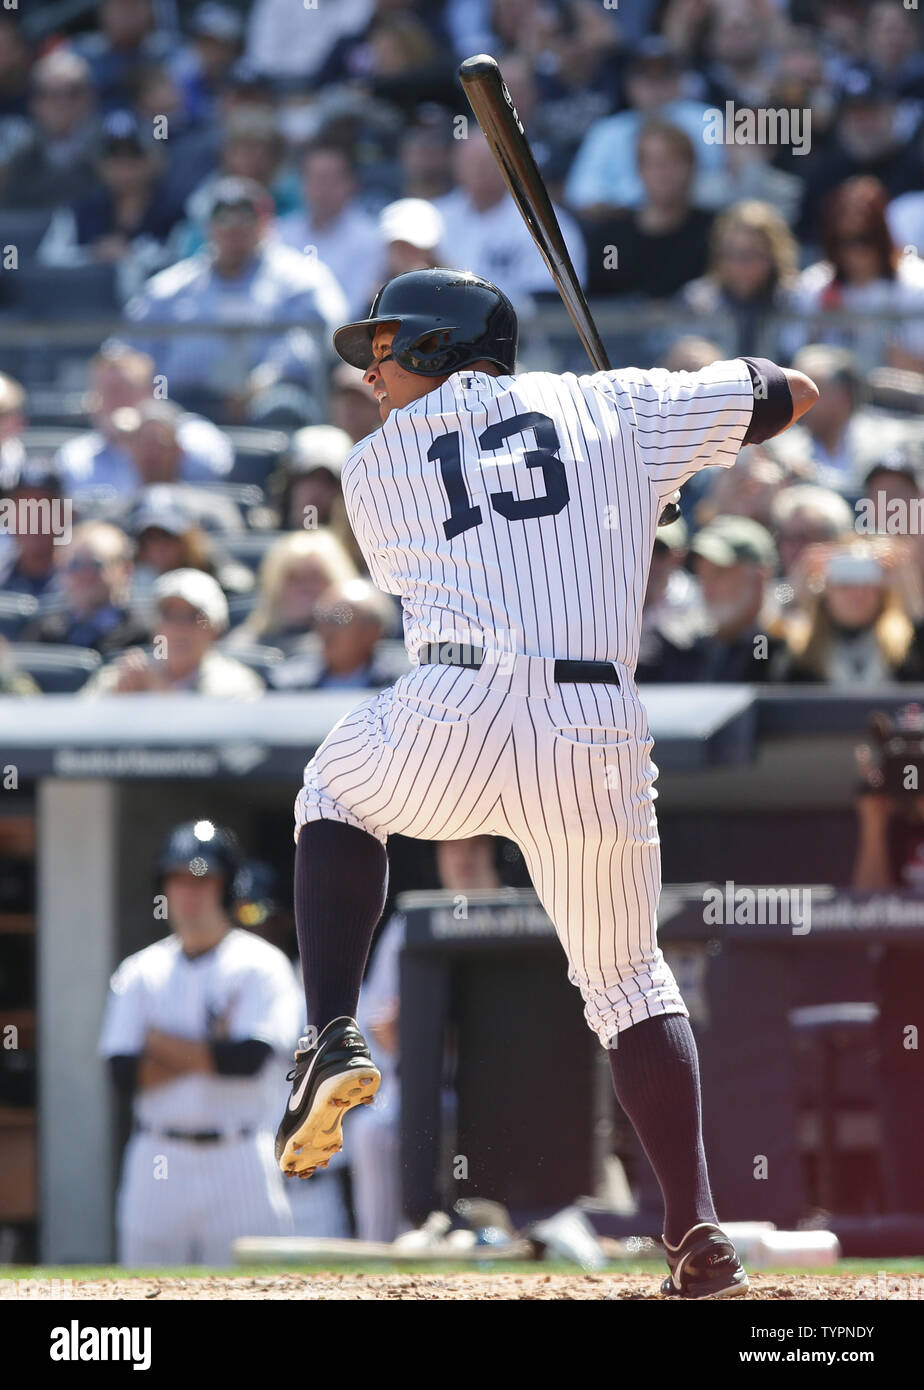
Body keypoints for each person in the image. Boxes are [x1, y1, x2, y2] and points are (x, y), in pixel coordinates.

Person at [273, 266, 819, 1299]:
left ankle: (329, 1028)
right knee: (629, 983)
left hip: (452, 710)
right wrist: (655, 443)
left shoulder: (369, 469)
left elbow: (499, 511)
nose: (372, 374)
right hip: (594, 724)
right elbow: (795, 390)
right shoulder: (619, 403)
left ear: (439, 349)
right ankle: (698, 1235)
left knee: (335, 793)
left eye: (389, 348)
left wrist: (630, 463)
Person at [98, 819, 301, 1265]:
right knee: (144, 1295)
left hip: (239, 1154)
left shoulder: (260, 963)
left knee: (254, 1291)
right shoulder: (140, 970)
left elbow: (247, 1059)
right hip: (158, 1153)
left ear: (226, 887)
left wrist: (158, 1043)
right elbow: (121, 1073)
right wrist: (210, 1049)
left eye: (202, 879)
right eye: (177, 880)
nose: (188, 893)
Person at [124, 177, 347, 423]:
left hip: (264, 401)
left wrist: (265, 380)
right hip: (177, 406)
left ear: (266, 223)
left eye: (245, 217)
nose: (233, 228)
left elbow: (313, 339)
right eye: (223, 218)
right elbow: (130, 350)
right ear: (208, 226)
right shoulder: (170, 287)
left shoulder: (299, 277)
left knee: (283, 406)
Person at [55, 340, 232, 506]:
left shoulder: (191, 434)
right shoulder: (76, 456)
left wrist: (162, 436)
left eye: (124, 391)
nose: (116, 403)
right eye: (107, 393)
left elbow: (216, 468)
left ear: (150, 393)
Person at [581, 121, 713, 301]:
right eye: (655, 164)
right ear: (639, 170)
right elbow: (599, 308)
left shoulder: (715, 233)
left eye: (674, 163)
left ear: (692, 167)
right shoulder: (609, 241)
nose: (665, 174)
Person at [81, 567, 264, 697]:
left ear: (216, 629)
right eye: (169, 616)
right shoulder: (123, 677)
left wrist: (161, 691)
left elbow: (230, 746)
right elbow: (77, 731)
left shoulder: (237, 686)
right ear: (155, 627)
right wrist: (111, 703)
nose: (179, 628)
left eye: (194, 617)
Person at [274, 142, 384, 319]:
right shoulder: (281, 232)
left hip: (340, 340)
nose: (322, 188)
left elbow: (354, 306)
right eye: (315, 178)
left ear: (351, 184)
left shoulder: (370, 238)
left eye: (330, 179)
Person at [20, 519, 147, 654]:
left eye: (96, 565)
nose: (84, 575)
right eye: (74, 565)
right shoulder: (43, 631)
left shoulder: (144, 635)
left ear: (126, 570)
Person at [229, 531, 359, 656]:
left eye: (315, 578)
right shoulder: (246, 643)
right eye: (293, 578)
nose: (305, 589)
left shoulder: (354, 647)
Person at [0, 50, 100, 210]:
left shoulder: (114, 149)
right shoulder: (18, 153)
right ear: (34, 103)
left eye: (73, 92)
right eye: (49, 93)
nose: (62, 102)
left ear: (90, 98)